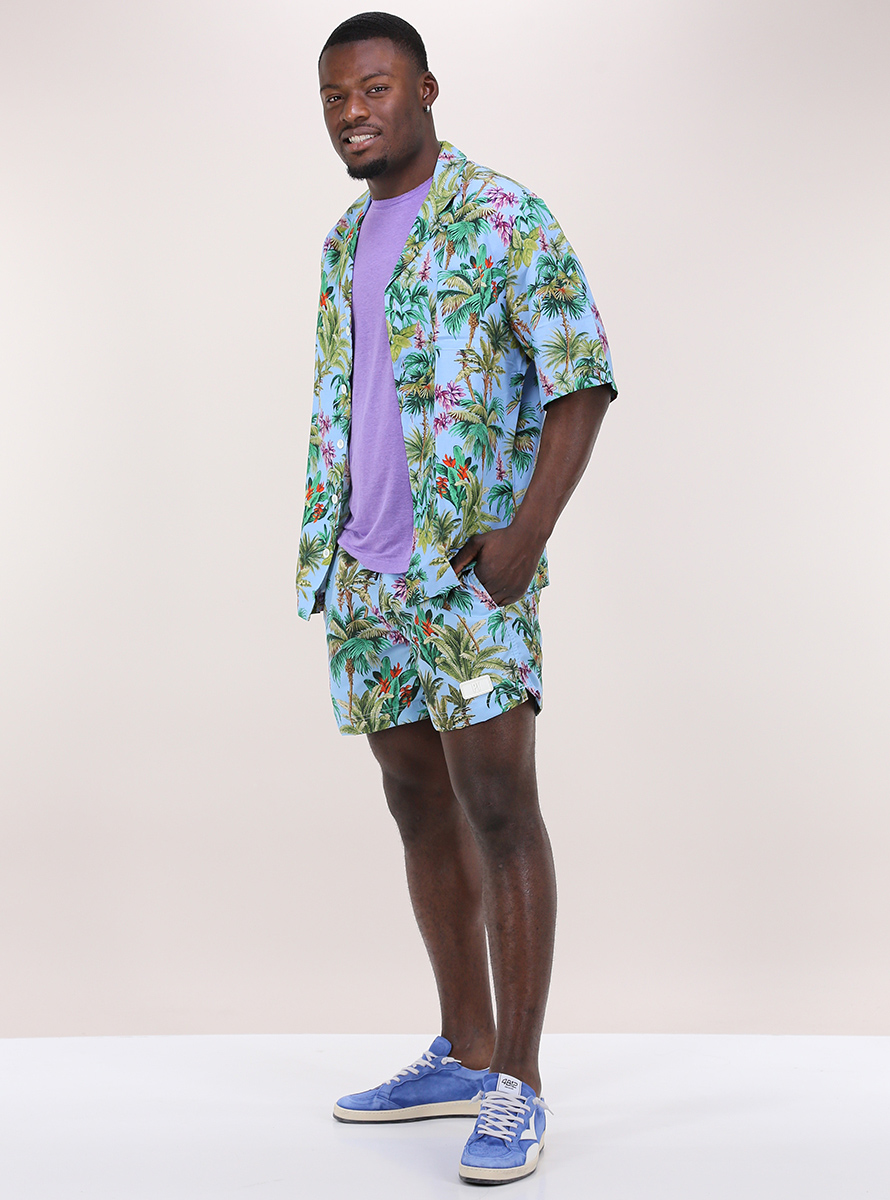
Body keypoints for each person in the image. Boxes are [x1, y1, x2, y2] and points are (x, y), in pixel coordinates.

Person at [296, 11, 617, 1185]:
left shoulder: (501, 216)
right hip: (364, 576)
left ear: (425, 90)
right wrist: (337, 550)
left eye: (374, 88)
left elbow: (580, 375)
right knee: (414, 801)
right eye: (335, 97)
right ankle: (463, 1047)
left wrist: (521, 541)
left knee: (497, 806)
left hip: (465, 578)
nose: (353, 112)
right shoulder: (343, 239)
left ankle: (516, 1086)